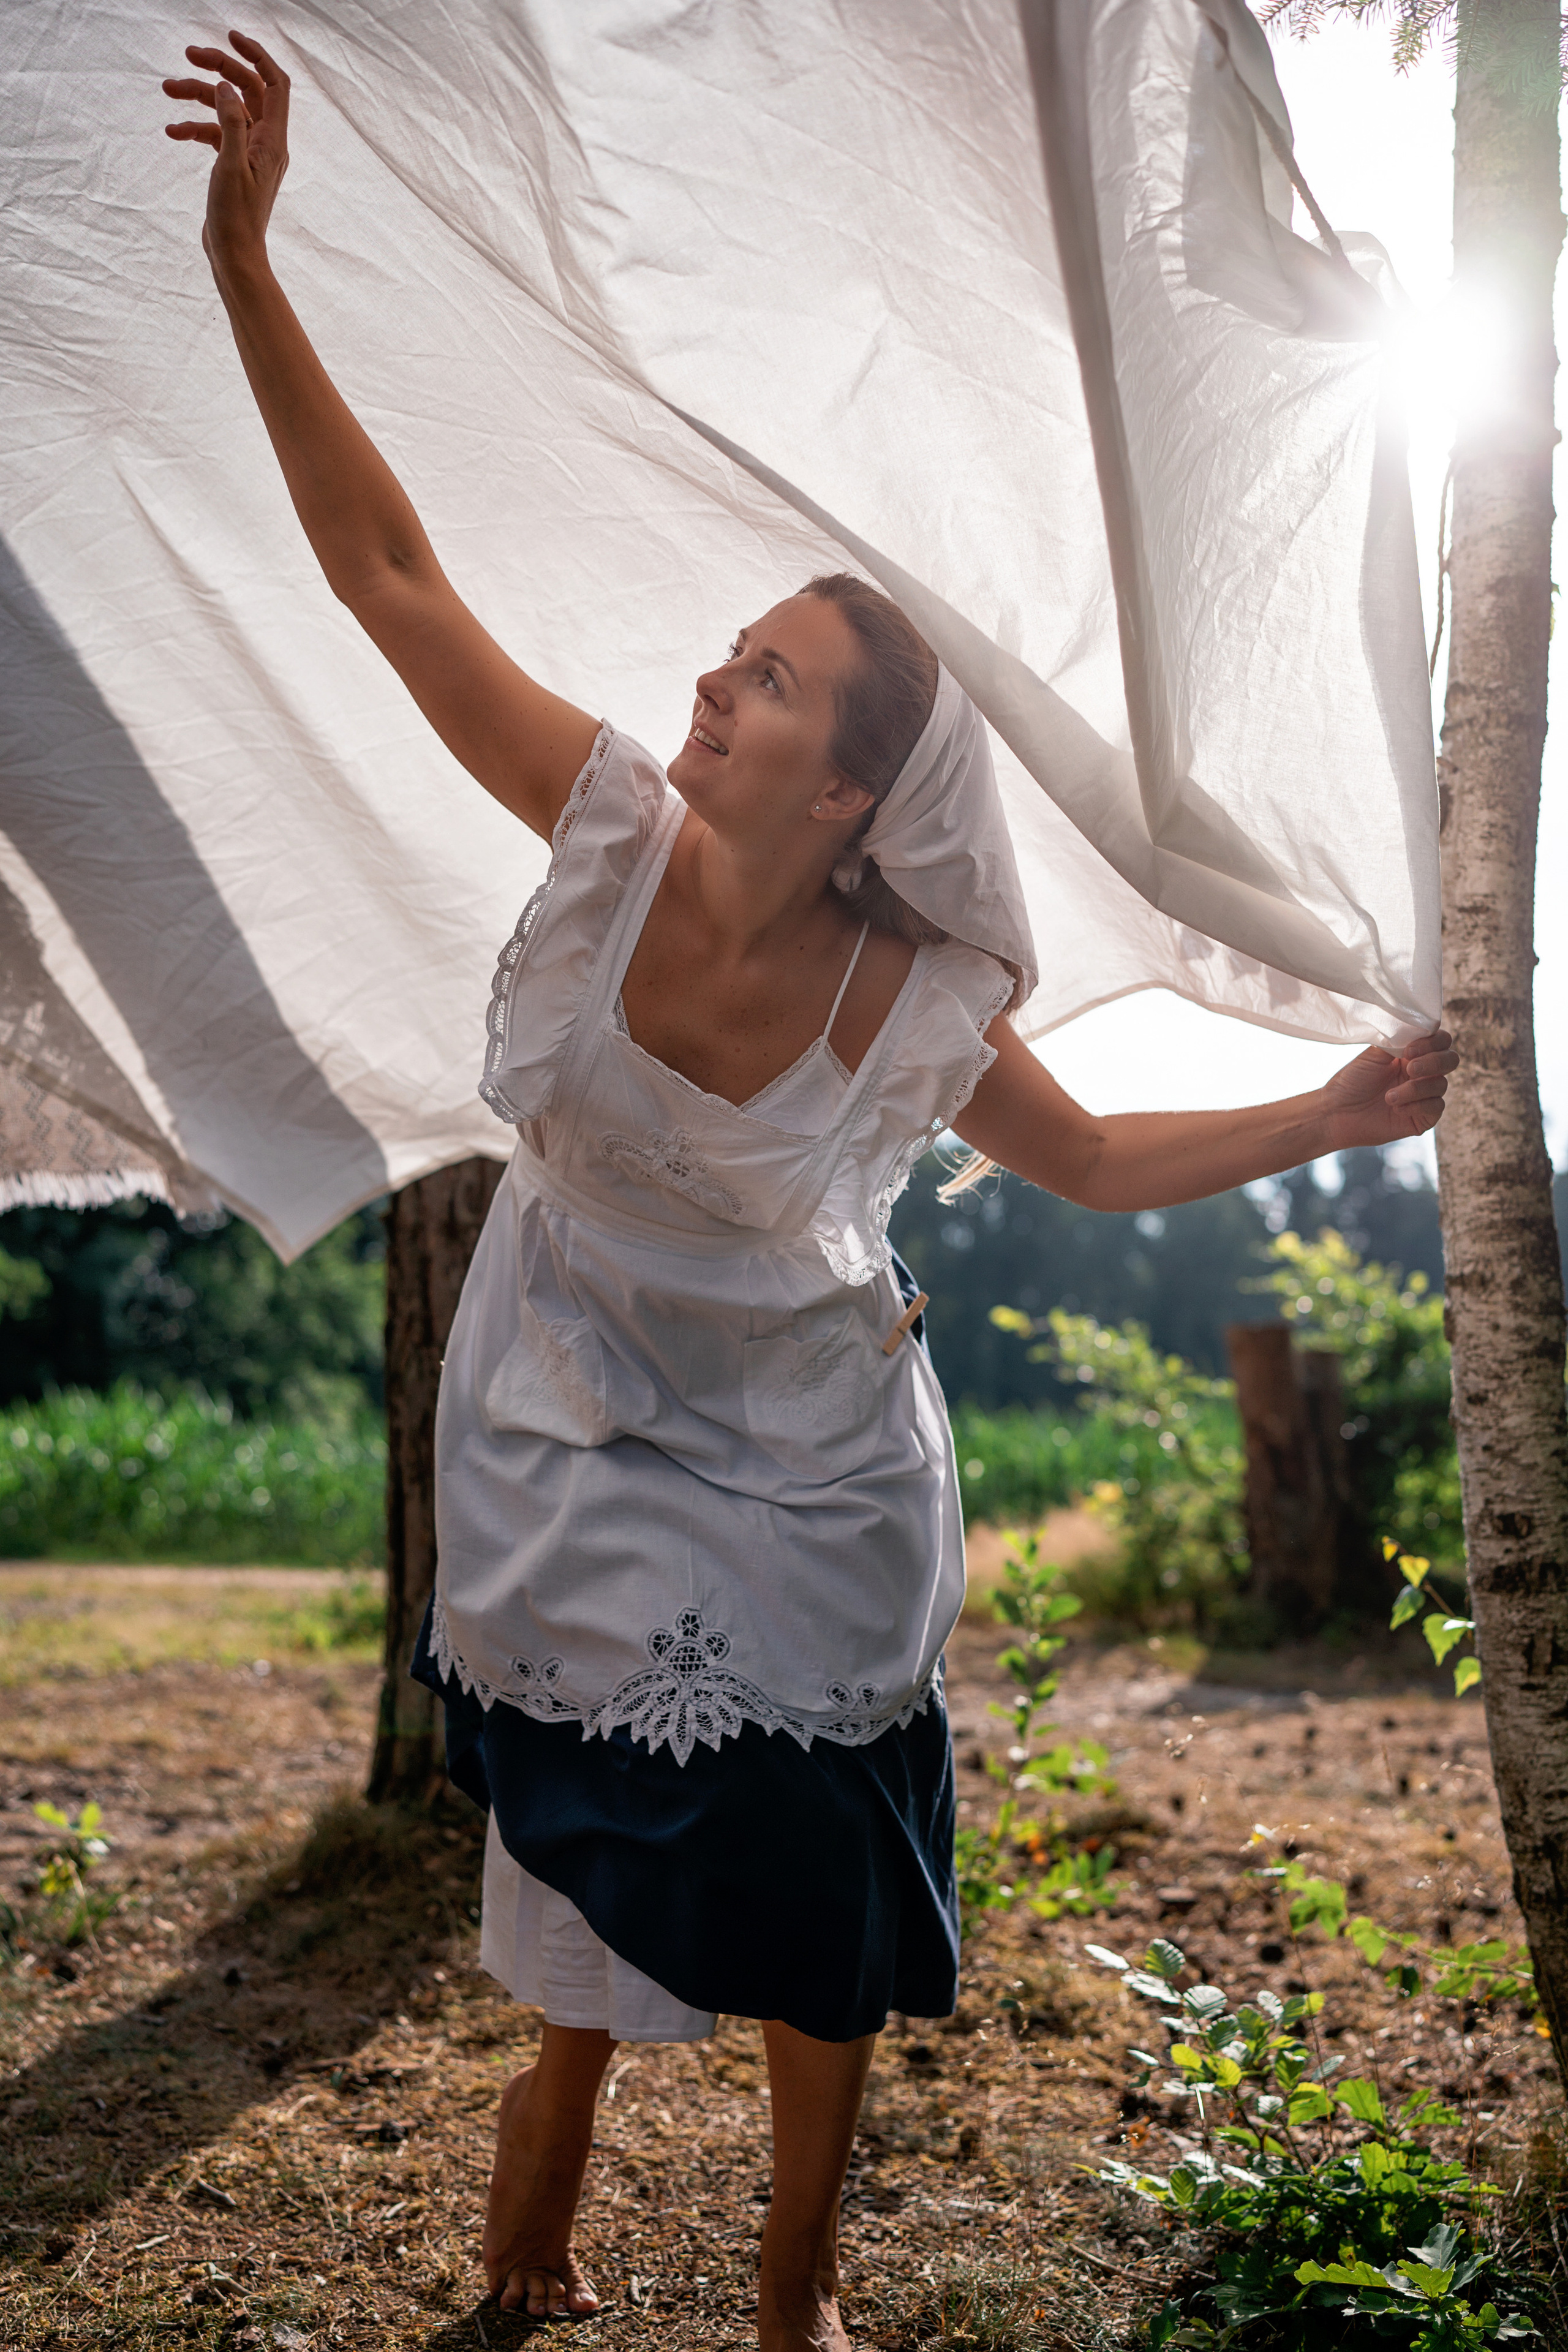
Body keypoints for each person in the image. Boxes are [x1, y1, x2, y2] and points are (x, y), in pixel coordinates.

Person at [163, 34, 1457, 2350]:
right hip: (572, 1391)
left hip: (806, 1439)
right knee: (598, 1832)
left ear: (857, 791)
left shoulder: (906, 994)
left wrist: (1328, 1119)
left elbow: (1086, 1156)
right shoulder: (602, 833)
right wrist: (249, 261)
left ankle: (795, 2297)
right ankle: (527, 2250)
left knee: (811, 1851)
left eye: (764, 679)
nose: (713, 686)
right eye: (735, 658)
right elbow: (387, 575)